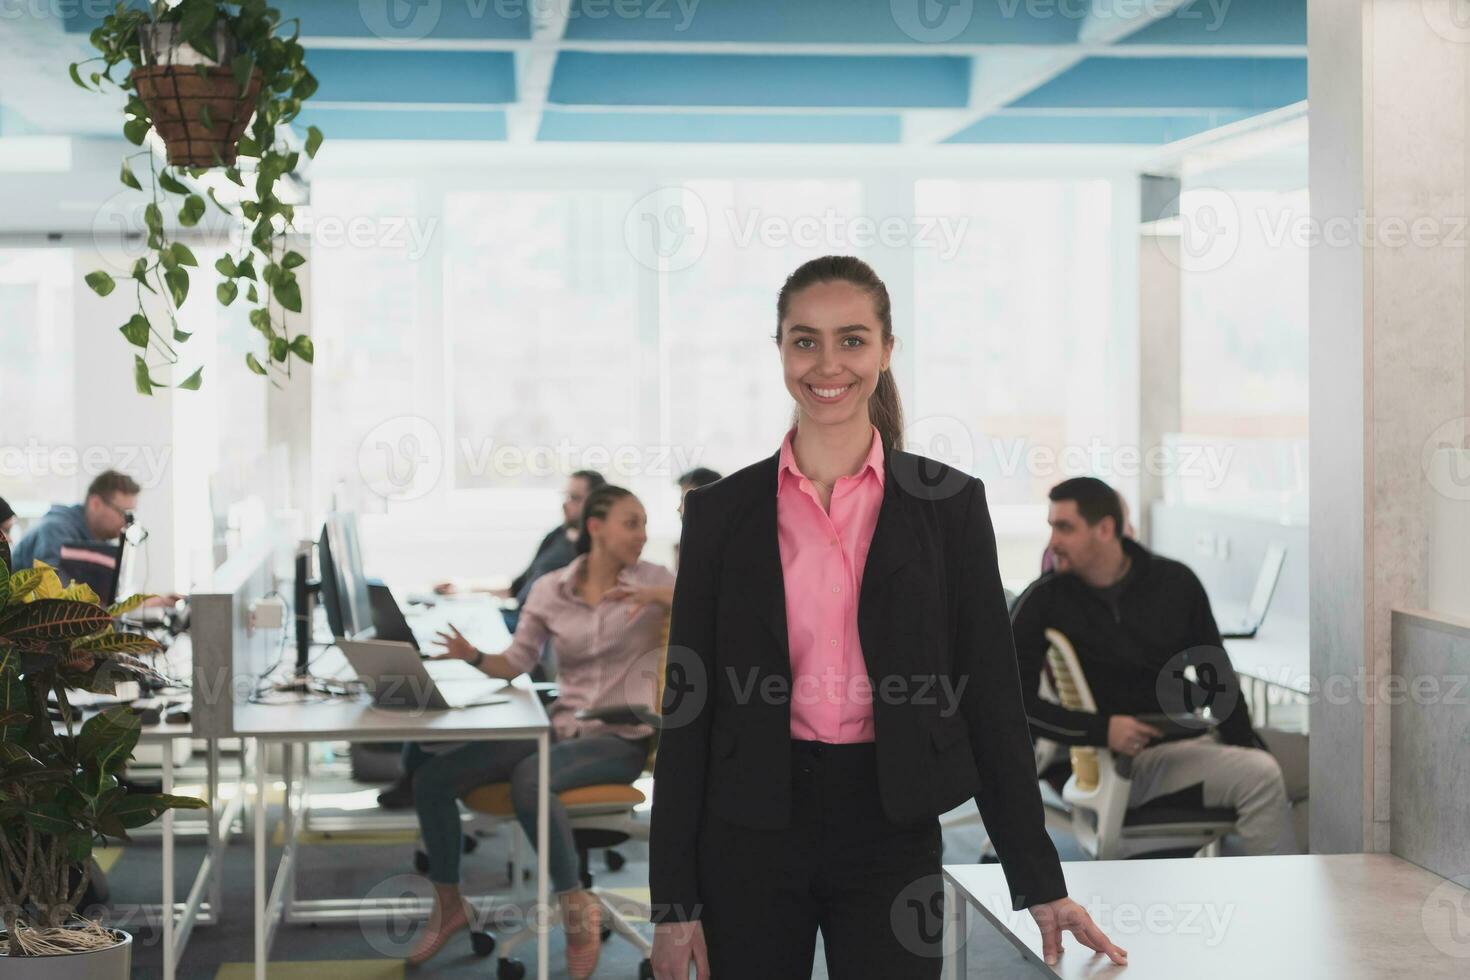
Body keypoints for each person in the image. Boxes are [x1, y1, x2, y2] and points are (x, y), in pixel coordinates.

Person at [648, 256, 1125, 980]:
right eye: (805, 340)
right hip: (746, 830)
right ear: (779, 349)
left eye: (852, 339)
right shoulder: (721, 514)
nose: (827, 362)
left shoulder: (948, 507)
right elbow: (686, 714)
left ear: (886, 350)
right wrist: (672, 903)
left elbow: (993, 701)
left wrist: (1041, 882)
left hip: (890, 825)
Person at [403, 484, 675, 977]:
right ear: (596, 527)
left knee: (531, 776)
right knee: (433, 779)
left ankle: (576, 911)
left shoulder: (656, 579)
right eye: (631, 522)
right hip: (560, 726)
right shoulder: (551, 589)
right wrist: (473, 656)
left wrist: (657, 594)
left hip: (620, 738)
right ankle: (449, 903)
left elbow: (716, 600)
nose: (643, 534)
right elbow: (517, 662)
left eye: (644, 523)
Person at [1010, 476, 1297, 856]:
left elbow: (1218, 681)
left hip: (1192, 738)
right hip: (1132, 760)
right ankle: (1272, 906)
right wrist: (1102, 730)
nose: (1053, 542)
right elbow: (1011, 704)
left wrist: (1244, 744)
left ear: (1106, 528)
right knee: (1260, 777)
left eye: (1064, 527)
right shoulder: (1043, 601)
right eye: (1052, 527)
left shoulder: (1174, 582)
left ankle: (1301, 890)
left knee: (1317, 766)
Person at [435, 470, 606, 632]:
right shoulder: (557, 535)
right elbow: (516, 587)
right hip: (513, 616)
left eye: (574, 498)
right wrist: (464, 587)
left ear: (595, 503)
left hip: (532, 627)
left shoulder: (594, 551)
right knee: (440, 618)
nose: (565, 503)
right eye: (565, 496)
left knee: (451, 628)